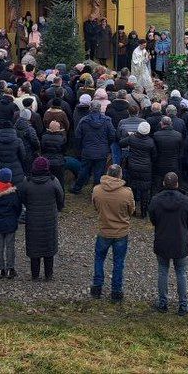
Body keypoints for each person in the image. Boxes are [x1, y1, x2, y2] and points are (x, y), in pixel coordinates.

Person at [148, 172, 188, 316]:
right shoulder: (186, 201)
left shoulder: (155, 200)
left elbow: (153, 218)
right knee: (181, 273)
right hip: (180, 241)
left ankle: (162, 303)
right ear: (177, 184)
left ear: (163, 184)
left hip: (162, 240)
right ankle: (183, 305)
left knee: (163, 271)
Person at [90, 163, 136, 302]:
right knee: (118, 262)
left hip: (104, 230)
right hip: (121, 232)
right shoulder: (127, 192)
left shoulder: (97, 190)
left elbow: (95, 207)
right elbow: (131, 210)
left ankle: (97, 288)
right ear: (120, 175)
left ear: (107, 173)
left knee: (99, 259)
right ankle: (116, 292)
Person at [19, 156, 65, 281]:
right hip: (49, 218)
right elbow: (61, 197)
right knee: (49, 246)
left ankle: (35, 275)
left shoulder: (27, 182)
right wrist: (59, 208)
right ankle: (48, 275)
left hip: (33, 219)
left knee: (34, 247)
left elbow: (21, 197)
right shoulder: (53, 181)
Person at [72, 101, 115, 194]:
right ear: (100, 109)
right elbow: (112, 135)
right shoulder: (107, 120)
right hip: (102, 150)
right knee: (99, 172)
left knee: (84, 170)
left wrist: (80, 147)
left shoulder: (84, 120)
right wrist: (107, 145)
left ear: (90, 109)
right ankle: (96, 191)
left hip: (87, 149)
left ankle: (77, 188)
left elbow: (77, 136)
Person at [0, 167, 21, 279]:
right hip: (11, 222)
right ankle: (10, 269)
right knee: (10, 246)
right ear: (10, 178)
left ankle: (0, 269)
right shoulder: (13, 193)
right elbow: (18, 208)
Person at [120, 121, 156, 217]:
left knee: (133, 188)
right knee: (145, 190)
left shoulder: (132, 138)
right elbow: (154, 155)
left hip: (133, 166)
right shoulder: (151, 142)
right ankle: (144, 212)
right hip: (146, 168)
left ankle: (133, 210)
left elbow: (121, 143)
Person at [40, 120, 69, 188]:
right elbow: (64, 151)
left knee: (46, 181)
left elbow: (42, 149)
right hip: (58, 163)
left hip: (46, 162)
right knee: (60, 181)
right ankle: (60, 196)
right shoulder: (62, 138)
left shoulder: (44, 137)